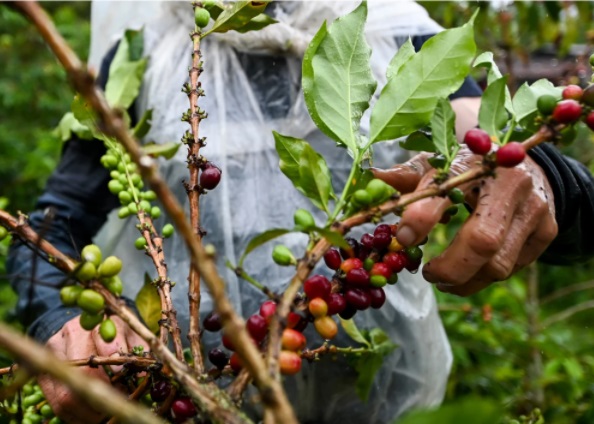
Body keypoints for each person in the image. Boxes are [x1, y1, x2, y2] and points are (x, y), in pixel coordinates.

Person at [7, 1, 594, 423]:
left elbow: (479, 131)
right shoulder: (143, 58)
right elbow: (55, 221)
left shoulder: (394, 33)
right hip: (178, 390)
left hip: (374, 403)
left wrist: (542, 175)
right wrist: (57, 326)